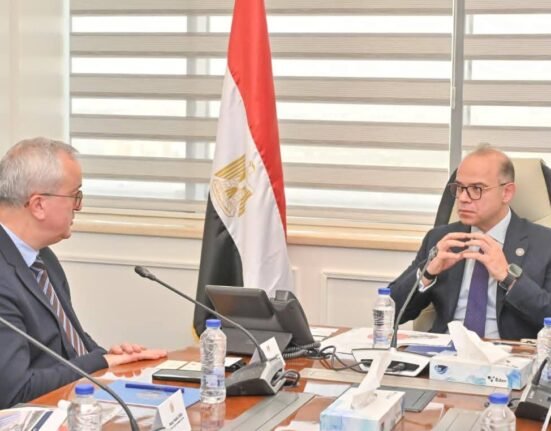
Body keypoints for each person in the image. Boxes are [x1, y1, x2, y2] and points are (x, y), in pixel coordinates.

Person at [0, 138, 167, 408]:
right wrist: (100, 361)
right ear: (38, 204)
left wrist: (110, 356)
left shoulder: (43, 257)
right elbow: (15, 390)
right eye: (74, 196)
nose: (79, 207)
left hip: (73, 405)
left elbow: (67, 343)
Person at [390, 145, 551, 340]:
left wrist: (508, 278)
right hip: (445, 350)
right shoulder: (441, 239)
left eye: (477, 189)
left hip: (509, 352)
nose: (463, 198)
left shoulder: (544, 243)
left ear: (507, 192)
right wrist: (428, 273)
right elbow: (391, 310)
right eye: (459, 188)